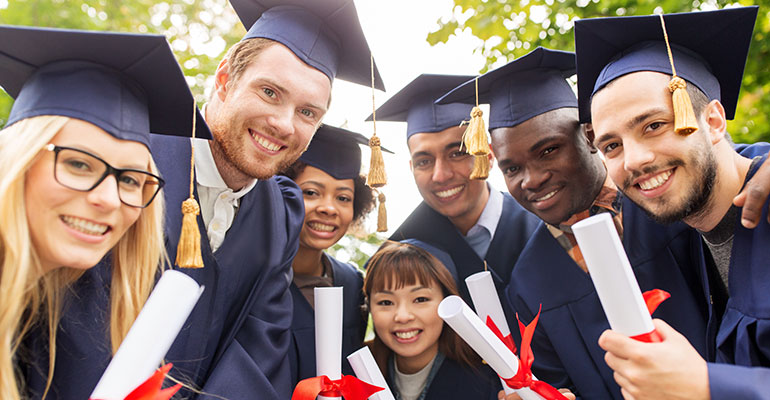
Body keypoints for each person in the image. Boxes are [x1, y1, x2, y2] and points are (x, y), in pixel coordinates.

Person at [39, 1, 385, 398]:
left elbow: (259, 346)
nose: (284, 124)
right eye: (270, 92)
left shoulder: (281, 213)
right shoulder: (132, 168)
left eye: (308, 112)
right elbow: (70, 315)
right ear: (223, 80)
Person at [437, 46, 726, 399]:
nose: (531, 179)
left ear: (589, 137)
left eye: (548, 151)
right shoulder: (529, 281)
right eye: (512, 168)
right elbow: (556, 383)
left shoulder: (671, 203)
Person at [0, 26, 206, 399]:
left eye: (130, 179)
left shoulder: (58, 316)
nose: (109, 199)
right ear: (19, 162)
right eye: (79, 165)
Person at [576, 7, 770, 399]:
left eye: (653, 125)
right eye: (611, 146)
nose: (633, 160)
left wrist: (709, 386)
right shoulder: (689, 231)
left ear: (714, 122)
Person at [378, 74, 539, 305]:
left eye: (457, 154)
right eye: (424, 161)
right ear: (411, 168)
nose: (440, 175)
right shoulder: (403, 249)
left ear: (488, 155)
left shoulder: (542, 227)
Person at [278, 124, 381, 385]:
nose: (329, 208)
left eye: (343, 198)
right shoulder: (256, 280)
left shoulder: (353, 283)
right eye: (311, 193)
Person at [364, 239, 500, 400]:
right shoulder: (354, 376)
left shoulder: (487, 384)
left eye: (420, 299)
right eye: (386, 302)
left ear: (446, 301)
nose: (402, 316)